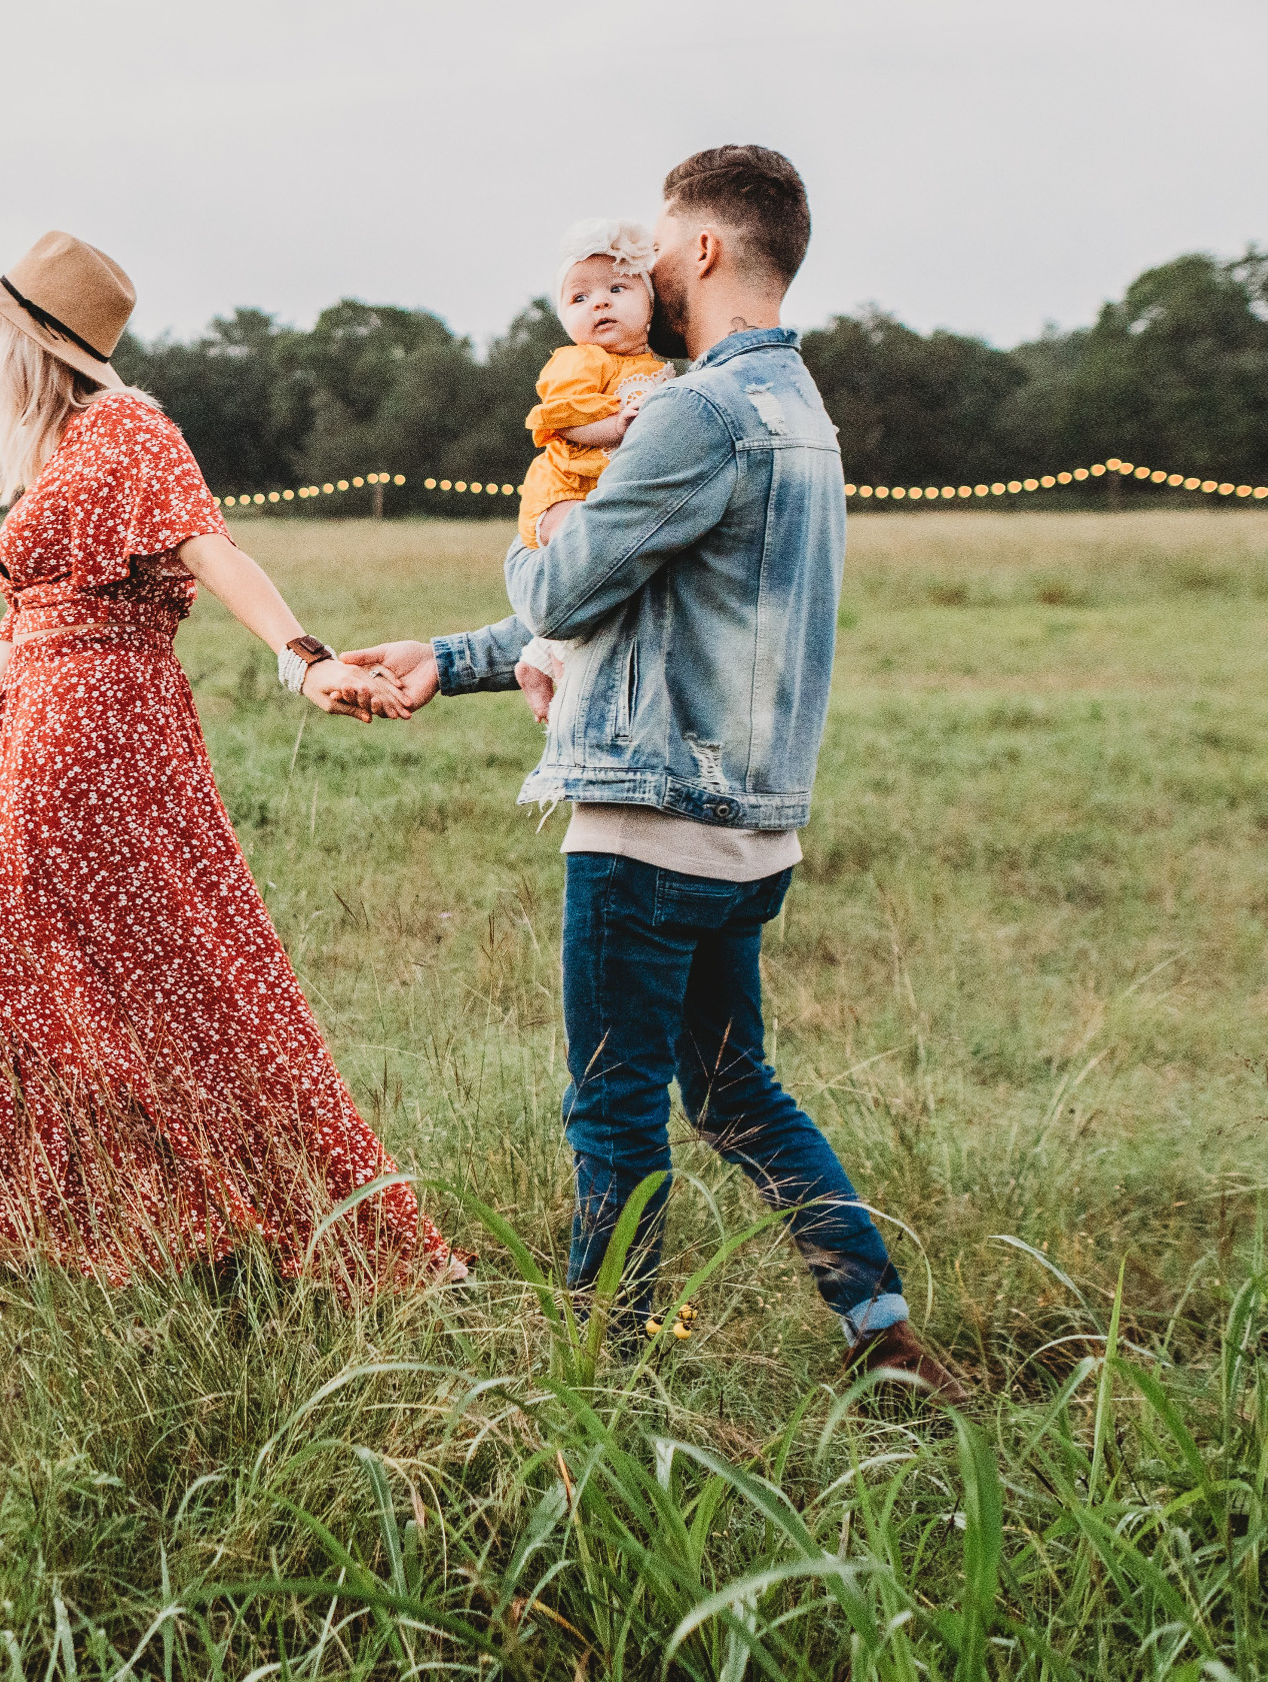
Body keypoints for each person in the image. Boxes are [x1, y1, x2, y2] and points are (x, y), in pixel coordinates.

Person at [345, 146, 969, 1403]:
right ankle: (880, 1328)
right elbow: (651, 601)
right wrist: (452, 658)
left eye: (659, 246)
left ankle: (601, 1376)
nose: (641, 271)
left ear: (704, 251)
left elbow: (570, 585)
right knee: (736, 1092)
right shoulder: (801, 412)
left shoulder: (694, 411)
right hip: (750, 832)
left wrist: (536, 536)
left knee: (612, 1115)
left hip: (647, 826)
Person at [0, 229, 461, 1289]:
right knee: (38, 981)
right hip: (43, 741)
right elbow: (13, 640)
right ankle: (48, 1235)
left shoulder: (129, 428)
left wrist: (303, 659)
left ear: (35, 342)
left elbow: (212, 546)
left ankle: (254, 1226)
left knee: (190, 980)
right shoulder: (58, 453)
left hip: (100, 738)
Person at [513, 220, 673, 724]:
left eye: (616, 289)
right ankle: (550, 660)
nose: (598, 304)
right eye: (579, 298)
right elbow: (562, 420)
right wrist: (615, 425)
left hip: (602, 492)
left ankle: (538, 658)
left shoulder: (657, 367)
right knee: (581, 562)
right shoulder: (579, 361)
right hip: (564, 489)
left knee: (607, 573)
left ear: (650, 306)